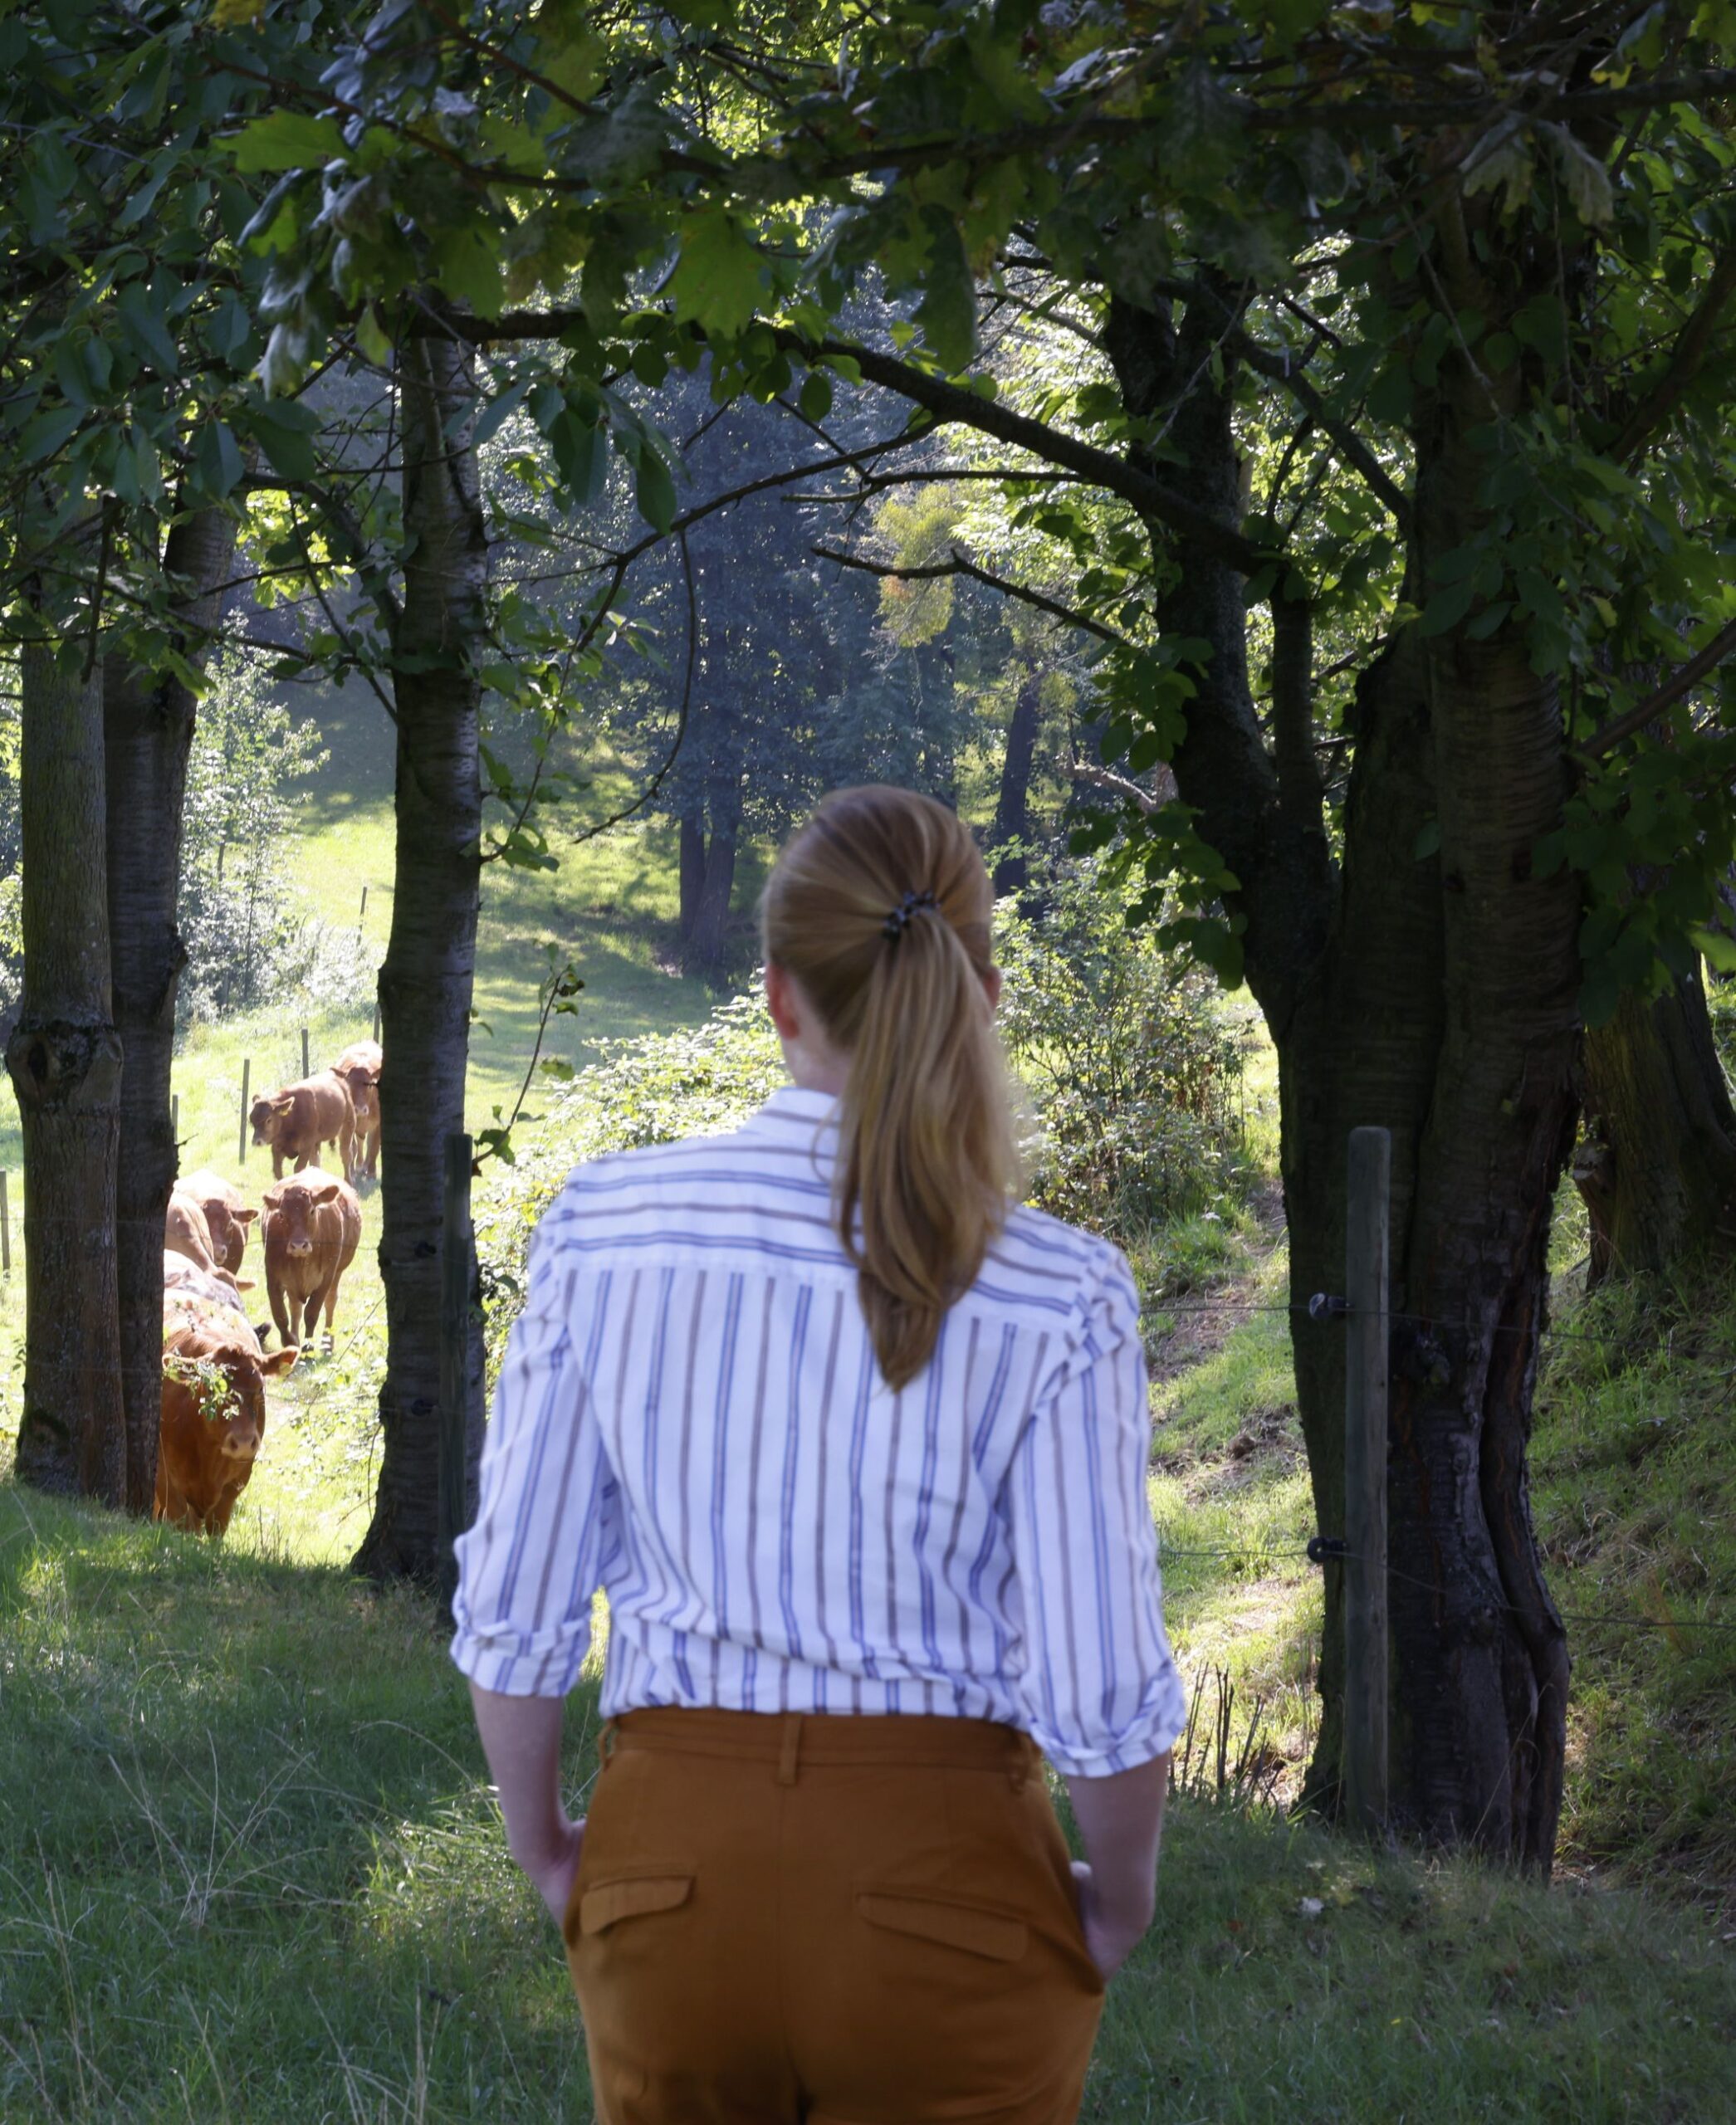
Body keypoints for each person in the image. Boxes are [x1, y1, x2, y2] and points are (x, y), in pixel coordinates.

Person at [452, 784, 1186, 2125]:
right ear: (988, 994)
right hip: (948, 1899)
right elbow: (1102, 1679)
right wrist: (1118, 1903)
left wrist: (558, 1856)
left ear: (780, 996)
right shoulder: (1062, 1290)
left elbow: (515, 1610)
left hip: (667, 1886)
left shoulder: (603, 1229)